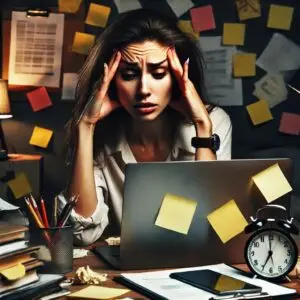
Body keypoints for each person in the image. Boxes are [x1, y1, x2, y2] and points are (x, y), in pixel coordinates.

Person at [57, 8, 232, 245]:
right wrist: (86, 127)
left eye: (159, 74)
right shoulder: (100, 132)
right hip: (123, 270)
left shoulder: (214, 121)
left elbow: (215, 223)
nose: (144, 90)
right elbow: (82, 233)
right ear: (110, 81)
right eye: (129, 75)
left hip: (194, 263)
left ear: (178, 77)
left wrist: (202, 126)